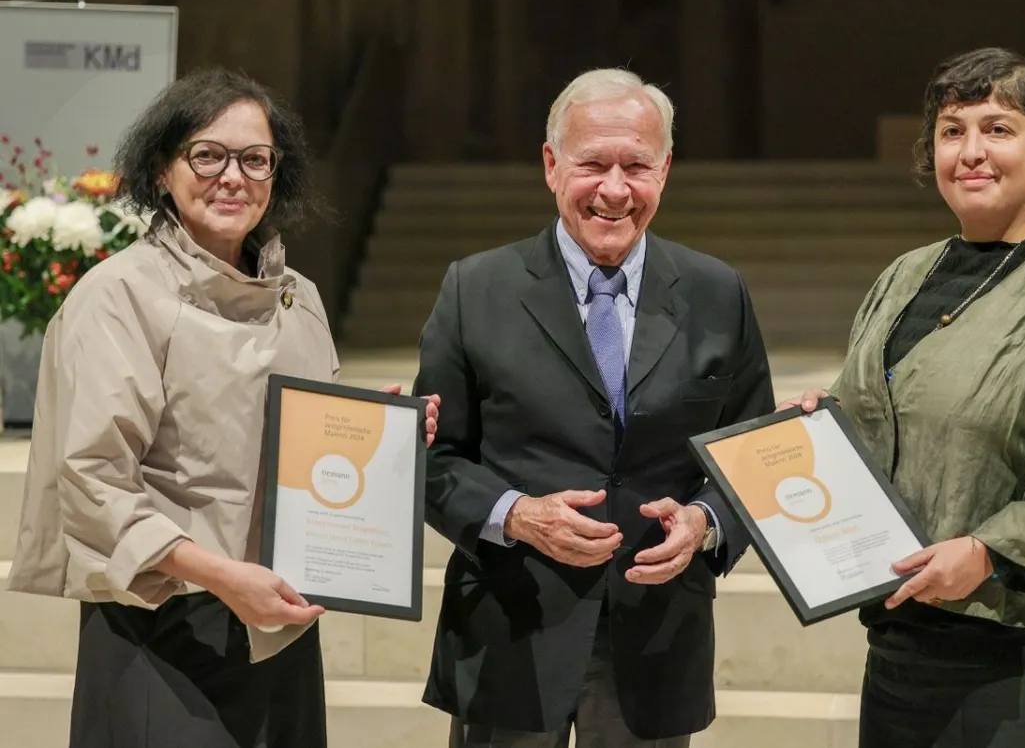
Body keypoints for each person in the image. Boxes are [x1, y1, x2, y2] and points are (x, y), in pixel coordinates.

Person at [5, 67, 440, 748]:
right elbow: (93, 481)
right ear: (161, 171)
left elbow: (294, 445)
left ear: (277, 175)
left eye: (255, 159)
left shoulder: (300, 297)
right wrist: (223, 577)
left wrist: (373, 431)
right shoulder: (118, 296)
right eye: (207, 155)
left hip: (277, 615)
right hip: (165, 625)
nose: (232, 176)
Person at [780, 47, 1025, 748]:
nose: (971, 152)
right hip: (906, 660)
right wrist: (819, 433)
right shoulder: (904, 278)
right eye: (952, 130)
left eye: (998, 129)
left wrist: (989, 552)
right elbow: (875, 415)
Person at [411, 67, 775, 747]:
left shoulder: (717, 293)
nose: (614, 189)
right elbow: (430, 461)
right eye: (592, 164)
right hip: (510, 631)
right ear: (551, 166)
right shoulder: (475, 289)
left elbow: (754, 457)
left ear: (665, 170)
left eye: (636, 165)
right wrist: (514, 515)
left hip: (657, 638)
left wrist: (703, 522)